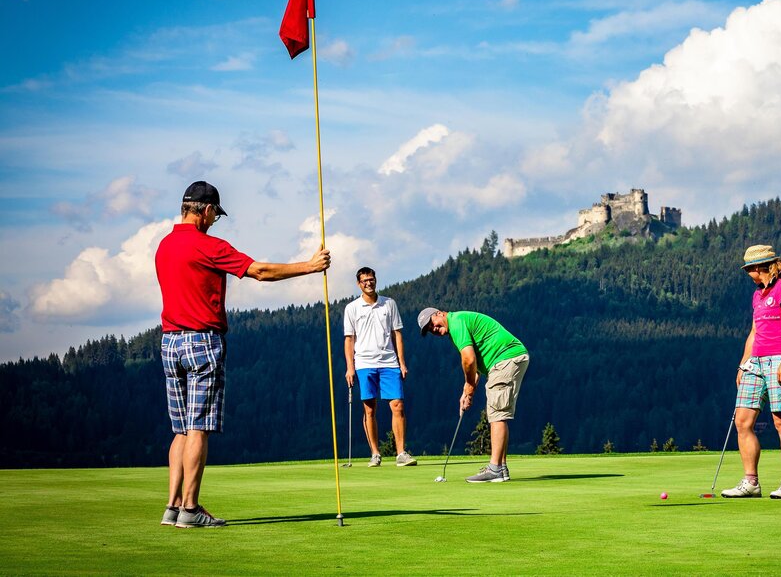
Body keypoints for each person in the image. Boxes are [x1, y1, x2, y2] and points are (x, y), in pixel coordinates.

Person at [155, 180, 331, 528]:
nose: (214, 221)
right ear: (206, 211)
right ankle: (190, 509)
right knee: (198, 428)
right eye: (215, 215)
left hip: (169, 343)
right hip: (201, 342)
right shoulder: (208, 246)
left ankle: (172, 507)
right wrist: (310, 266)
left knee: (180, 430)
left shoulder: (164, 245)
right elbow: (259, 272)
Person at [722, 244, 781, 499]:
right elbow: (755, 332)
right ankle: (751, 482)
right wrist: (743, 363)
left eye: (749, 269)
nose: (748, 274)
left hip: (779, 360)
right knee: (742, 421)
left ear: (758, 267)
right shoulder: (758, 295)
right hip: (755, 362)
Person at [418, 307, 529, 483]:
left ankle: (495, 469)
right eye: (429, 330)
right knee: (498, 414)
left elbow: (469, 360)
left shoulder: (456, 323)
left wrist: (469, 387)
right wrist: (467, 392)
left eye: (432, 323)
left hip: (505, 358)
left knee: (497, 414)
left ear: (439, 313)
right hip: (508, 359)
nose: (434, 329)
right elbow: (475, 364)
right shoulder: (457, 323)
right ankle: (501, 468)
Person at [343, 267, 416, 468]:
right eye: (364, 280)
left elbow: (397, 334)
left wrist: (402, 362)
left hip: (389, 362)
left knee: (397, 405)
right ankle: (375, 453)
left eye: (371, 279)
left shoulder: (389, 303)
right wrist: (350, 367)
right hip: (364, 363)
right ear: (359, 284)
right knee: (369, 409)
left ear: (375, 280)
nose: (369, 283)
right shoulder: (352, 308)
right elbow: (349, 340)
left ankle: (401, 453)